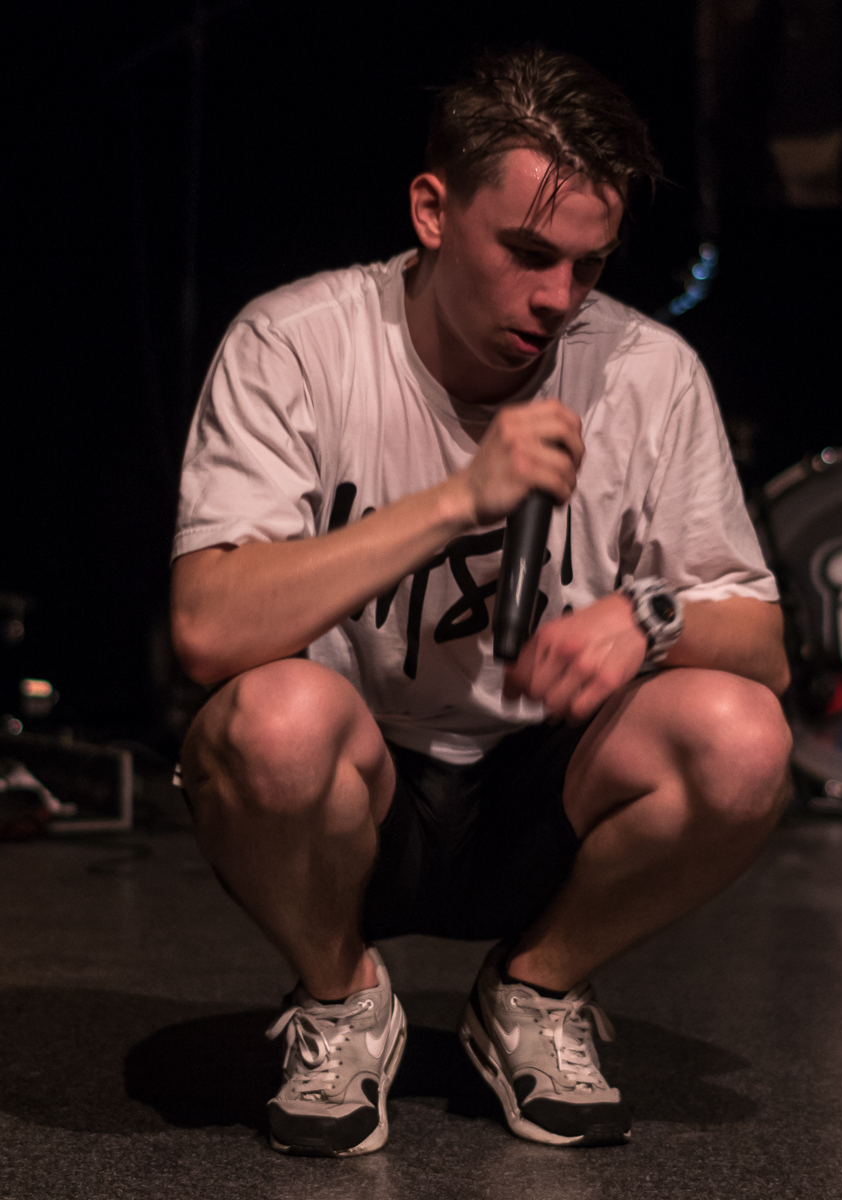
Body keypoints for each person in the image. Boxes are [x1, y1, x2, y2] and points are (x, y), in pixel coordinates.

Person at [171, 46, 792, 1158]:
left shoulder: (648, 371)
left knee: (743, 741)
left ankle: (536, 990)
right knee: (266, 722)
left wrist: (648, 618)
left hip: (540, 788)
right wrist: (460, 497)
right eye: (527, 253)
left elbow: (763, 643)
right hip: (358, 788)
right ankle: (341, 998)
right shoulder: (297, 344)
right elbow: (207, 626)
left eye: (589, 266)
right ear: (432, 211)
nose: (556, 299)